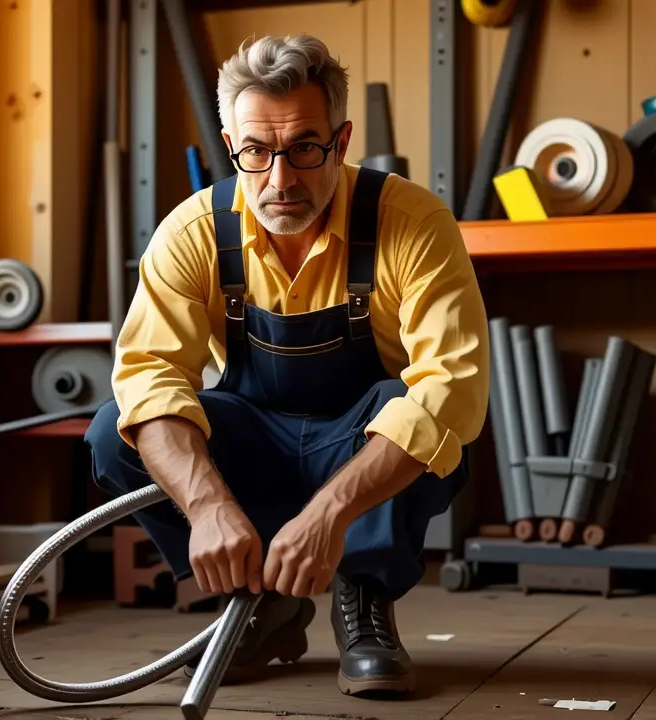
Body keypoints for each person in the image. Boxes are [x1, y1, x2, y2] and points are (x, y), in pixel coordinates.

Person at [85, 33, 489, 697]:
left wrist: (329, 515)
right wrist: (210, 506)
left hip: (358, 443)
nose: (280, 179)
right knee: (115, 431)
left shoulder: (411, 223)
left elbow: (453, 389)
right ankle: (259, 605)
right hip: (255, 442)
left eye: (305, 147)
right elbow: (149, 379)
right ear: (229, 143)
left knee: (413, 408)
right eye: (256, 151)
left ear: (342, 138)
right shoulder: (192, 234)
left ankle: (363, 598)